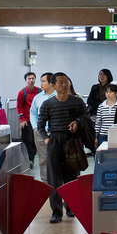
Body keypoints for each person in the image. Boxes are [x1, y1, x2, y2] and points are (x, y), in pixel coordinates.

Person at [38, 72, 91, 224]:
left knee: (72, 177)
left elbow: (86, 118)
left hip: (72, 141)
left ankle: (71, 208)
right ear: (53, 85)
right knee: (54, 178)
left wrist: (77, 122)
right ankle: (56, 212)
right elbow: (40, 125)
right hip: (54, 140)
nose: (64, 84)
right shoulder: (47, 104)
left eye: (66, 81)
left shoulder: (77, 101)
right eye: (60, 82)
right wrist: (47, 139)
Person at [16, 72, 41, 164]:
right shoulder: (22, 92)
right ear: (26, 80)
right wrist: (22, 119)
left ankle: (32, 156)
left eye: (33, 78)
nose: (31, 80)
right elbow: (19, 106)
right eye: (29, 79)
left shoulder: (40, 91)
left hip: (38, 120)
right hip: (27, 120)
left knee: (36, 140)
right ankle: (29, 159)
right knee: (28, 140)